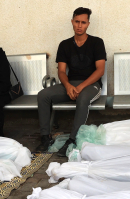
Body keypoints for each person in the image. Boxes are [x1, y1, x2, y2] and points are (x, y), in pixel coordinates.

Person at [36, 7, 106, 154]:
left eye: (83, 22)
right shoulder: (64, 45)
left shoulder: (97, 42)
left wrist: (80, 87)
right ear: (72, 22)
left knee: (82, 98)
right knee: (43, 95)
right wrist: (68, 86)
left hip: (91, 85)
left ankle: (73, 140)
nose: (79, 25)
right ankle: (45, 137)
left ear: (88, 24)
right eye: (77, 21)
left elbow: (100, 70)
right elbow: (61, 71)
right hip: (71, 84)